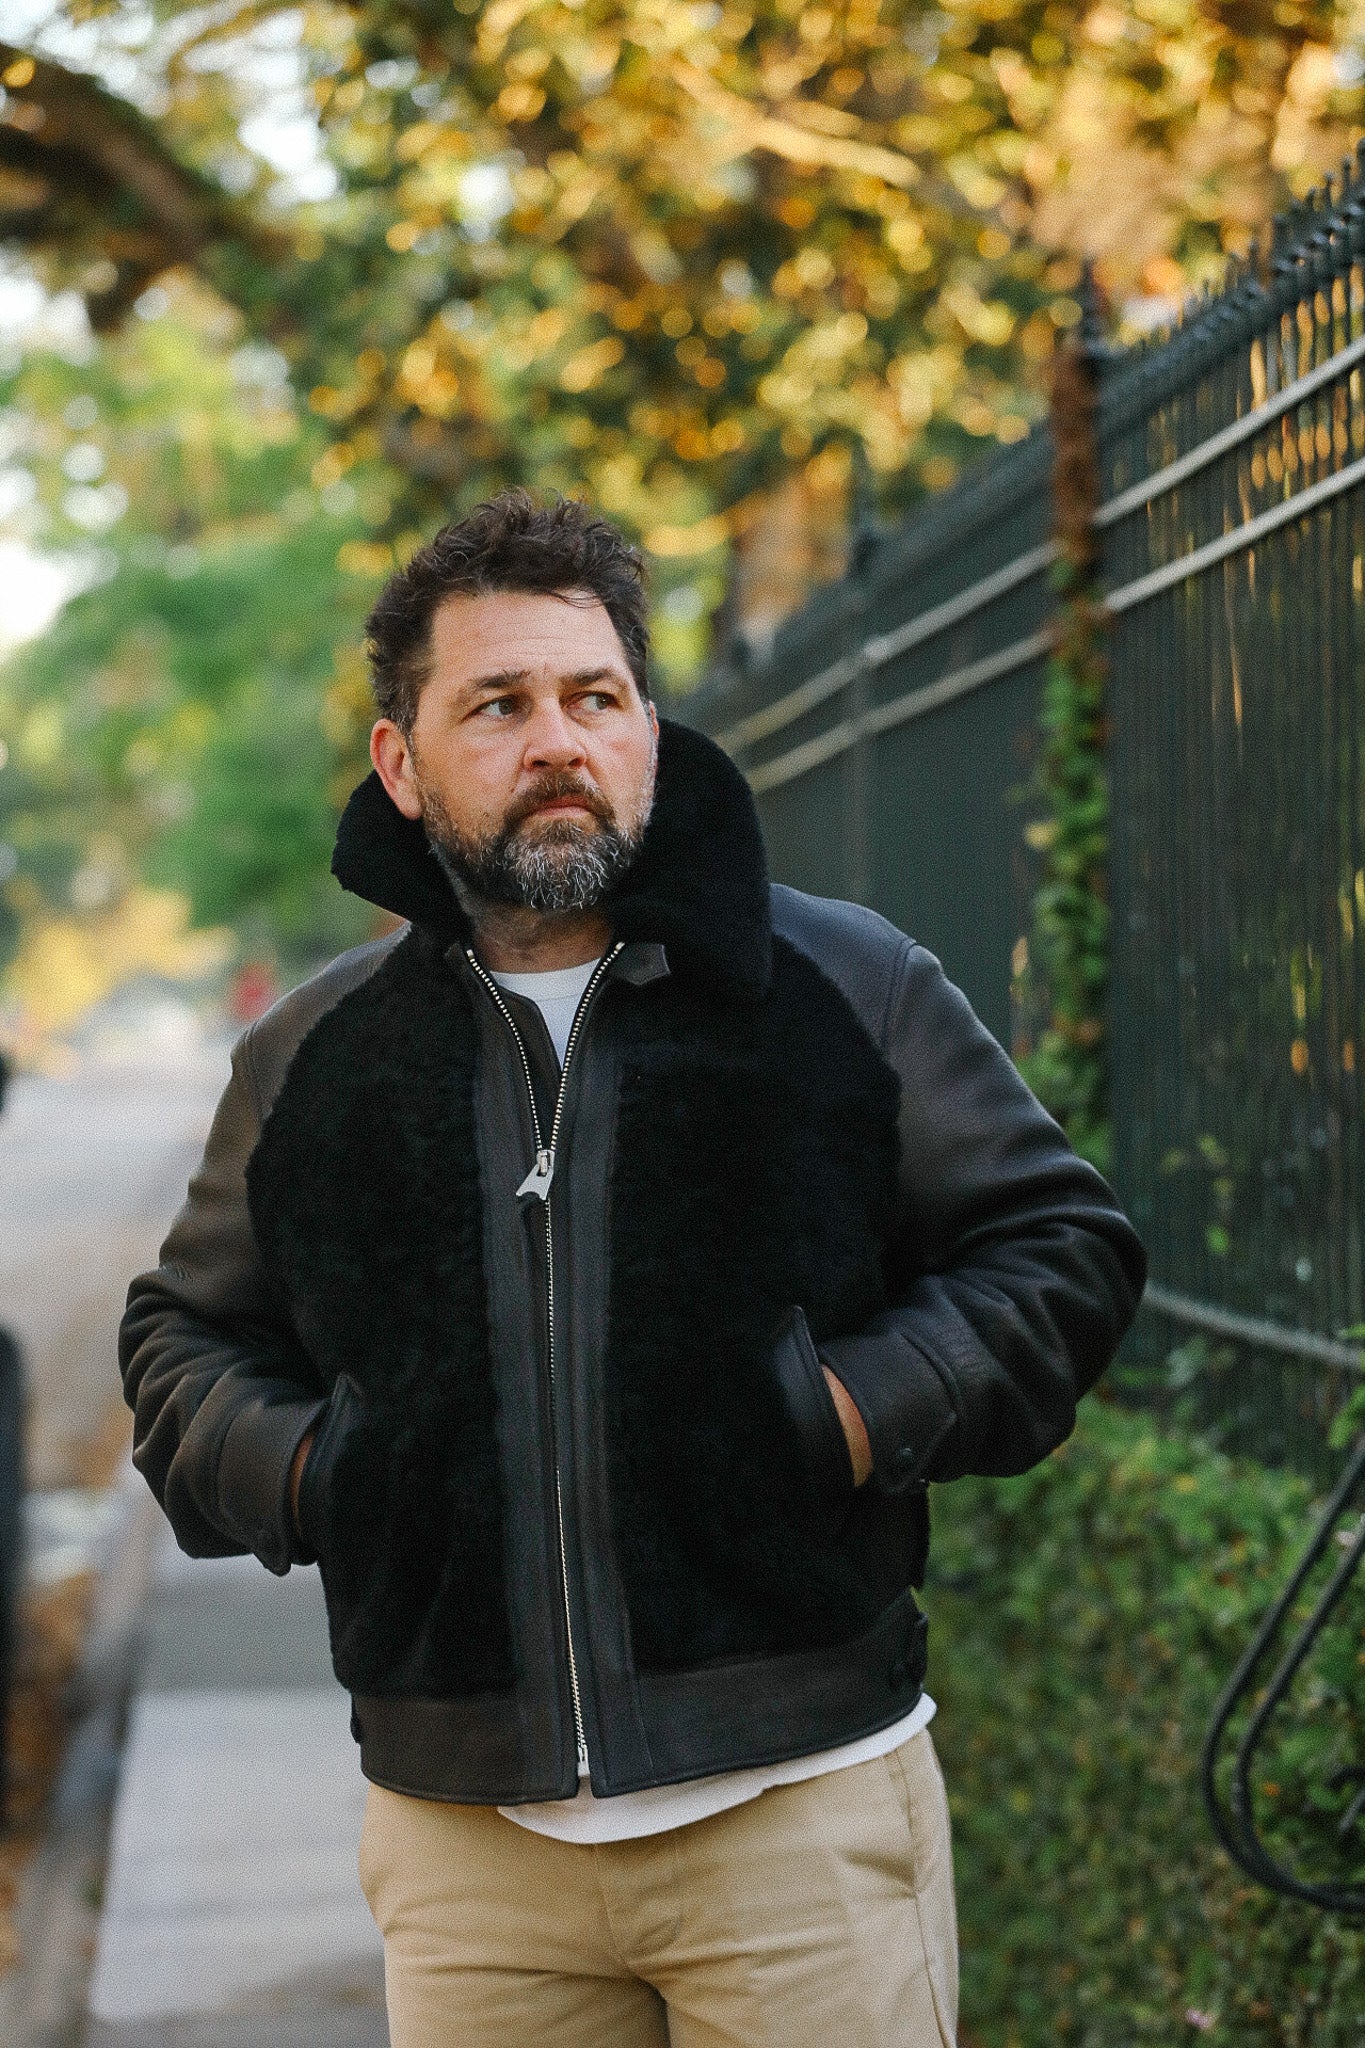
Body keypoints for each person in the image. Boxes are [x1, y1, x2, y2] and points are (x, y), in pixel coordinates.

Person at [121, 490, 1145, 2048]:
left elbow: (1059, 1249)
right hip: (465, 1853)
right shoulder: (309, 1058)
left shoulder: (839, 987)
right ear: (402, 764)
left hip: (796, 1816)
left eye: (594, 698)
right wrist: (327, 1474)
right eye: (499, 705)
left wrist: (846, 1416)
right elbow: (181, 1338)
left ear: (647, 731)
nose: (557, 741)